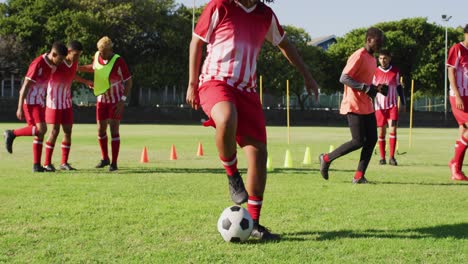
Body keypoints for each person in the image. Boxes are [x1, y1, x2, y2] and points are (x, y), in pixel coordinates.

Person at [186, 0, 318, 240]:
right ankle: (233, 176)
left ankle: (254, 224)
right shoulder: (220, 6)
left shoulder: (265, 15)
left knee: (259, 154)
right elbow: (196, 41)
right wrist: (192, 83)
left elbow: (285, 44)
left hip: (247, 90)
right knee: (226, 117)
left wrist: (307, 75)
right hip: (215, 82)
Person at [318, 27, 385, 184]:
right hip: (353, 104)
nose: (380, 44)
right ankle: (326, 158)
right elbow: (344, 77)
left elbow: (366, 83)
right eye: (378, 41)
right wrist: (365, 88)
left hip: (367, 105)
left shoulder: (373, 59)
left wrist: (376, 88)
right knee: (358, 141)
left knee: (372, 139)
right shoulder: (358, 55)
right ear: (369, 40)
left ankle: (359, 176)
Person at [4, 42, 67, 172]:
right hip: (31, 102)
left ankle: (36, 166)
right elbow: (25, 86)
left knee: (38, 133)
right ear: (53, 54)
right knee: (41, 129)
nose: (60, 62)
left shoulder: (53, 65)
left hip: (39, 102)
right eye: (60, 59)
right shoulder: (38, 63)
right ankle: (12, 133)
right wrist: (19, 106)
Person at [78, 36, 132, 172]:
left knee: (114, 130)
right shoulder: (97, 55)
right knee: (100, 130)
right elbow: (94, 67)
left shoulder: (118, 60)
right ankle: (105, 158)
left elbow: (129, 81)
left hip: (115, 101)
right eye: (100, 51)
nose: (101, 54)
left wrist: (122, 100)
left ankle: (114, 163)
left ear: (110, 50)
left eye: (104, 52)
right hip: (102, 100)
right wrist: (78, 68)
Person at [43, 40, 92, 172]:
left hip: (66, 102)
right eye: (76, 55)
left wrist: (85, 81)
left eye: (79, 55)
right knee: (54, 131)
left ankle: (64, 162)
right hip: (53, 102)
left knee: (68, 131)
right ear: (68, 52)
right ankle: (47, 163)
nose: (77, 58)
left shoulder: (74, 63)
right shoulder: (58, 62)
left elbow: (73, 75)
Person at [373, 50, 406, 166]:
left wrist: (403, 102)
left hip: (392, 106)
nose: (383, 60)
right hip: (379, 107)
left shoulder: (395, 71)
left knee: (393, 130)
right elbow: (371, 89)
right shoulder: (375, 72)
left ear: (389, 59)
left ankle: (392, 157)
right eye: (381, 58)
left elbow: (399, 87)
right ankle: (382, 157)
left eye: (385, 58)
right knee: (381, 132)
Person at [447, 24, 468, 181]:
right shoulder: (457, 48)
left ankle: (456, 167)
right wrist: (458, 96)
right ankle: (455, 165)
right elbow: (451, 72)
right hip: (458, 95)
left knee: (464, 129)